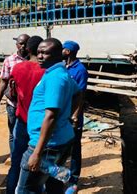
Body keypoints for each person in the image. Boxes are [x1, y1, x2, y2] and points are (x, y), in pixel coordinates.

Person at [16, 38, 80, 194]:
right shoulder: (58, 72)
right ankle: (67, 180)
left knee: (25, 189)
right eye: (38, 52)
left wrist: (37, 153)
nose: (40, 56)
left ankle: (68, 179)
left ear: (59, 55)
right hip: (58, 139)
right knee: (52, 184)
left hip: (45, 144)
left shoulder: (55, 78)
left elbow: (51, 116)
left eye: (45, 53)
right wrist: (66, 117)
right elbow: (77, 93)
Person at [6, 36, 45, 194]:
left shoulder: (18, 69)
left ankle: (11, 190)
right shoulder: (47, 72)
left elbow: (12, 95)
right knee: (42, 164)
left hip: (22, 122)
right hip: (42, 126)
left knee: (16, 162)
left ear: (28, 49)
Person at [0, 34, 30, 153]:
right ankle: (15, 160)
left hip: (29, 105)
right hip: (13, 104)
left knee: (28, 133)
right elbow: (3, 82)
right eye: (20, 43)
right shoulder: (9, 60)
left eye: (25, 43)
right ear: (16, 44)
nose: (23, 46)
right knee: (13, 133)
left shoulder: (33, 60)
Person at [62, 41, 88, 184]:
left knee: (75, 147)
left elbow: (81, 95)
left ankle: (74, 178)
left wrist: (75, 116)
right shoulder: (62, 67)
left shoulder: (80, 70)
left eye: (63, 49)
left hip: (73, 115)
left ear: (68, 51)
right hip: (62, 114)